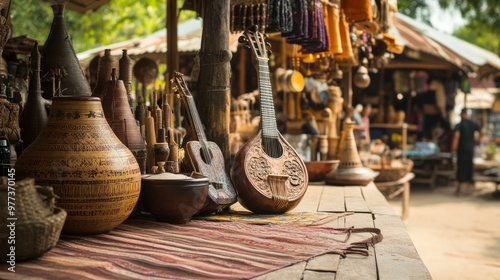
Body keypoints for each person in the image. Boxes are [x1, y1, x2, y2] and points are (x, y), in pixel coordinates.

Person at [451, 108, 483, 196]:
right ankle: (467, 189)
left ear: (461, 114)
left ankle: (458, 189)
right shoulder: (472, 124)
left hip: (462, 150)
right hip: (470, 149)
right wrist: (478, 141)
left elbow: (456, 137)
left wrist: (453, 149)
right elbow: (482, 131)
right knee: (469, 167)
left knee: (461, 168)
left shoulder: (459, 125)